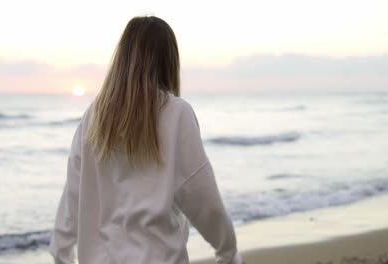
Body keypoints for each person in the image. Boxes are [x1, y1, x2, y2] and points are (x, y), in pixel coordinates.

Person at [48, 16, 243, 264]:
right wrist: (228, 252)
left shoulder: (94, 117)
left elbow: (73, 197)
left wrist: (61, 254)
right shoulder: (175, 113)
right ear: (169, 61)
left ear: (123, 57)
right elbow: (202, 198)